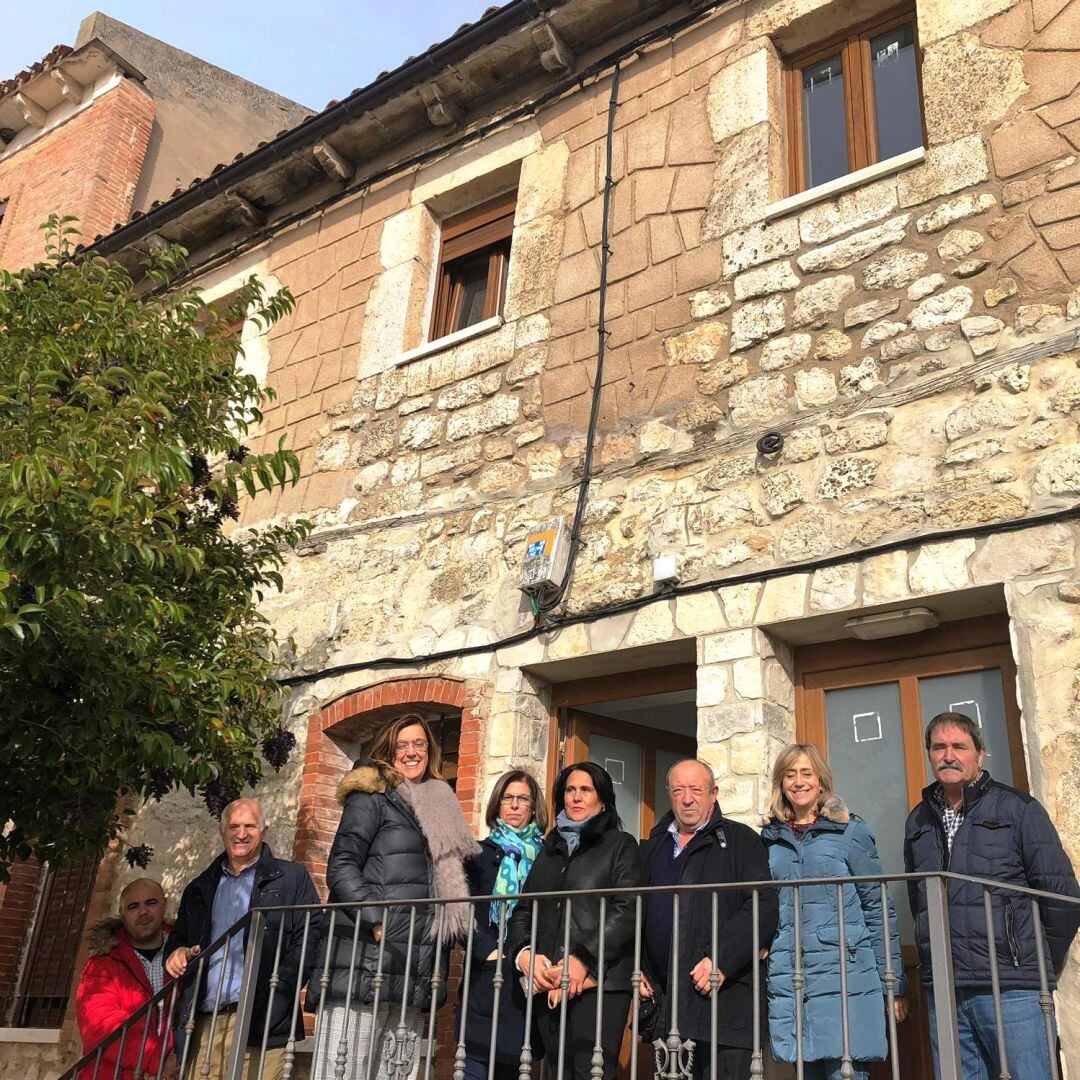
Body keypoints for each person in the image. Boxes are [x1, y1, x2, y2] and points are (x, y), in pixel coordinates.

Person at [904, 711, 1080, 1079]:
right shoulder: (918, 820)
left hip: (1012, 988)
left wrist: (1033, 963)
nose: (948, 755)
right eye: (938, 747)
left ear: (980, 754)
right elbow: (918, 900)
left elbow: (1061, 896)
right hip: (947, 988)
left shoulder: (1019, 810)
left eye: (959, 747)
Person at [308, 713, 479, 1080]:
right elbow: (340, 866)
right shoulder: (372, 795)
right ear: (388, 751)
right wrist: (376, 918)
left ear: (430, 750)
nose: (411, 752)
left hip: (416, 965)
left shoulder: (439, 804)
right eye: (402, 745)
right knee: (343, 1073)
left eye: (419, 744)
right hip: (366, 959)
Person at [762, 744, 907, 1080]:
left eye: (806, 773)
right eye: (790, 774)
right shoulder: (769, 838)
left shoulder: (850, 832)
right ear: (781, 783)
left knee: (847, 1072)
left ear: (822, 781)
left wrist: (894, 983)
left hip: (846, 974)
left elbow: (877, 907)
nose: (798, 782)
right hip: (792, 975)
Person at [639, 760, 778, 1080]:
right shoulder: (653, 846)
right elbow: (637, 913)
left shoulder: (741, 840)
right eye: (678, 790)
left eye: (696, 790)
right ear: (669, 795)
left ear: (713, 794)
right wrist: (640, 968)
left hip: (723, 1003)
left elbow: (762, 905)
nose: (687, 799)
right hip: (666, 1007)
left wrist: (721, 959)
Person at [164, 798, 321, 1080]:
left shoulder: (291, 878)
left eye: (250, 826)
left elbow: (309, 938)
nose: (241, 833)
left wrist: (282, 986)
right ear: (222, 831)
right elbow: (179, 939)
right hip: (203, 1023)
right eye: (234, 826)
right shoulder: (200, 887)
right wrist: (176, 953)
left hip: (263, 1018)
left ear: (264, 830)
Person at [507, 761, 645, 1080]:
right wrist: (524, 954)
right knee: (559, 1072)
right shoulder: (549, 850)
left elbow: (628, 909)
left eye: (586, 790)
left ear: (603, 800)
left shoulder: (620, 846)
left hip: (601, 983)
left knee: (591, 1073)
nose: (576, 797)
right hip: (551, 981)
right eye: (570, 790)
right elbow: (525, 910)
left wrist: (583, 959)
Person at [459, 769, 547, 1080]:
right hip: (487, 978)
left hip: (527, 979)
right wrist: (486, 951)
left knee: (516, 1067)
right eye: (507, 798)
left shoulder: (547, 857)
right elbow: (460, 909)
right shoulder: (478, 855)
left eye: (522, 799)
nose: (514, 805)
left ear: (534, 807)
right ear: (497, 805)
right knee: (475, 1067)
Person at [76, 878, 176, 1080]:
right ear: (122, 914)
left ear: (164, 904)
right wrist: (158, 1058)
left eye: (151, 903)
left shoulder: (183, 955)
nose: (143, 912)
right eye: (133, 906)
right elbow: (102, 1026)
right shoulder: (102, 965)